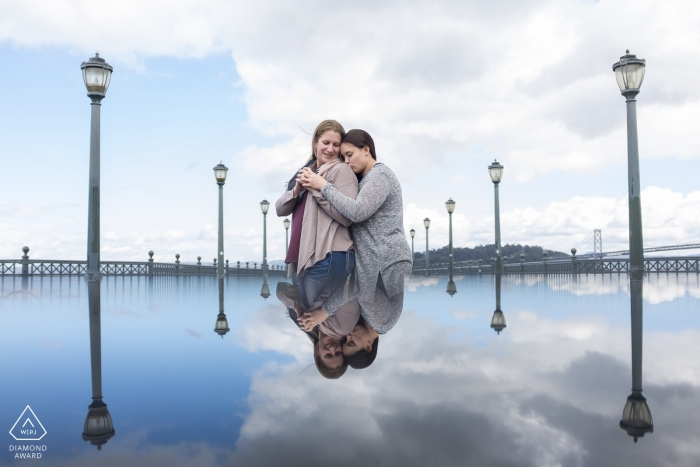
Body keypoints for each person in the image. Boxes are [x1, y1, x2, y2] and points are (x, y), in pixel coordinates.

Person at [298, 129, 412, 362]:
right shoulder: (381, 320)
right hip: (385, 262)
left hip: (385, 261)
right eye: (352, 342)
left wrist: (322, 185)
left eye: (349, 155)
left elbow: (357, 212)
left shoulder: (380, 176)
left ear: (366, 150)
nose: (347, 161)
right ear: (368, 346)